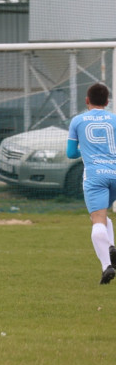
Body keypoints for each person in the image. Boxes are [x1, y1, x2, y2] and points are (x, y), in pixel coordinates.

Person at [67, 82, 116, 284]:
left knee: (97, 220)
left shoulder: (78, 121)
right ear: (107, 101)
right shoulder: (114, 119)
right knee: (106, 219)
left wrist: (87, 151)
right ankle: (109, 256)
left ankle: (108, 260)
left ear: (87, 100)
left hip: (95, 176)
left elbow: (70, 153)